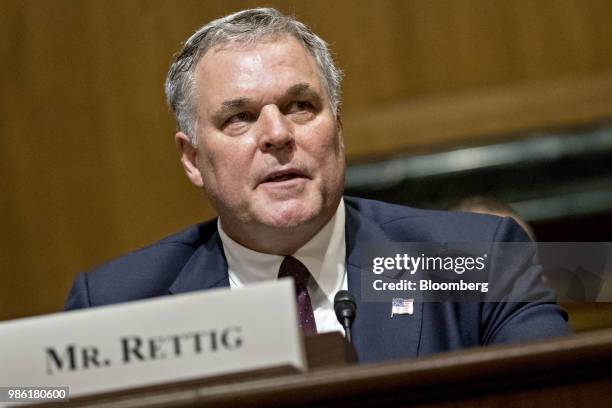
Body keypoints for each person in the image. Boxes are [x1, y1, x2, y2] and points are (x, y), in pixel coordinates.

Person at [65, 8, 569, 363]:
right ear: (193, 159)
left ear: (338, 128)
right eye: (240, 117)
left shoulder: (479, 259)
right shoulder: (117, 305)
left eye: (300, 106)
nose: (278, 135)